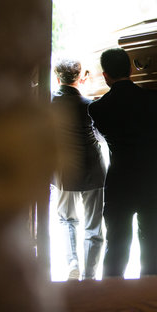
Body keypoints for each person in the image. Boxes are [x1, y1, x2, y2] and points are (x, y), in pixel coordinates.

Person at [88, 48, 157, 278]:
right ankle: (149, 303)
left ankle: (114, 303)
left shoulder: (98, 108)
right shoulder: (153, 99)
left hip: (122, 186)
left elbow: (103, 136)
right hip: (156, 184)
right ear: (131, 70)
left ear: (105, 76)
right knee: (151, 253)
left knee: (117, 250)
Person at [51, 58, 106, 280]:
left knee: (67, 220)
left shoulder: (49, 102)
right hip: (93, 168)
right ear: (80, 78)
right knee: (94, 227)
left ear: (57, 79)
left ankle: (73, 264)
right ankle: (90, 276)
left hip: (65, 170)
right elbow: (102, 137)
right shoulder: (90, 104)